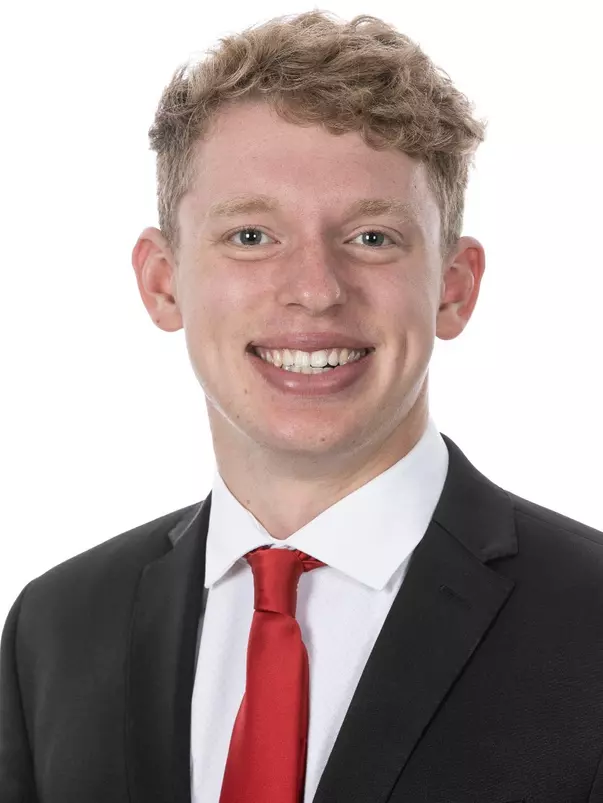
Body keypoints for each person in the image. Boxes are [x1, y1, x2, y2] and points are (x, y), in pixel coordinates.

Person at [2, 9, 603, 803]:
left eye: (372, 237)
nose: (315, 290)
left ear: (454, 289)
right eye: (251, 236)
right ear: (162, 280)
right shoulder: (57, 627)